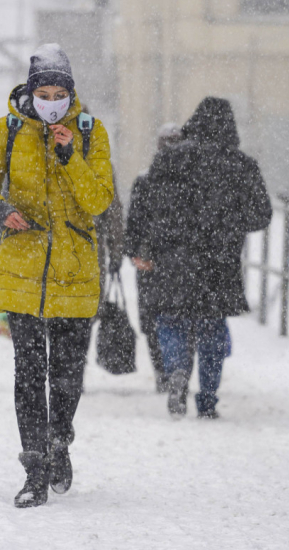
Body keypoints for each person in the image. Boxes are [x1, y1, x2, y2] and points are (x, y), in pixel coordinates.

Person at [0, 44, 114, 508]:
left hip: (76, 272)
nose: (51, 100)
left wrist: (70, 155)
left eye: (59, 93)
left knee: (67, 378)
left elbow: (99, 202)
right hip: (23, 272)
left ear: (70, 95)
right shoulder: (7, 131)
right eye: (43, 92)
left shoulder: (90, 134)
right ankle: (34, 469)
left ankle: (60, 443)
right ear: (30, 93)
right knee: (29, 376)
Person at [135, 97, 272, 419]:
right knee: (212, 328)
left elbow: (153, 210)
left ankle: (177, 372)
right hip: (219, 260)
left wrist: (151, 246)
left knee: (171, 320)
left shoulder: (169, 159)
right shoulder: (242, 164)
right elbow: (261, 215)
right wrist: (230, 224)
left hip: (174, 257)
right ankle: (208, 397)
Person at [125, 123, 187, 393]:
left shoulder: (145, 180)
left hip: (151, 261)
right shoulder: (192, 181)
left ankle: (164, 372)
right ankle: (176, 369)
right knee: (179, 318)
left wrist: (136, 252)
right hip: (183, 262)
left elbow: (134, 223)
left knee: (154, 319)